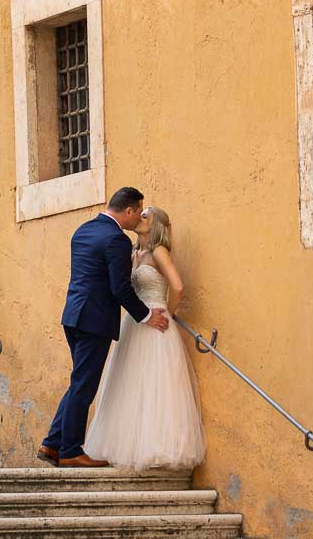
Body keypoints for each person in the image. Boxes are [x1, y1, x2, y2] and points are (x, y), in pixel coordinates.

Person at [37, 187, 169, 468]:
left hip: (73, 316)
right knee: (84, 385)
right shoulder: (116, 240)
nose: (137, 222)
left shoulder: (82, 230)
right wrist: (146, 316)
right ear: (129, 210)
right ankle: (71, 450)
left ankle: (51, 444)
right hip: (95, 322)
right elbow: (119, 288)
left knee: (79, 382)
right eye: (138, 213)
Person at [83, 205, 206, 469]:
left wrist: (168, 314)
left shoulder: (159, 251)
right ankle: (126, 445)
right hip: (134, 325)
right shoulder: (131, 253)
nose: (140, 217)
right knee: (129, 383)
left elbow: (178, 286)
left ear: (157, 225)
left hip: (156, 324)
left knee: (155, 385)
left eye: (146, 215)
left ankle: (157, 447)